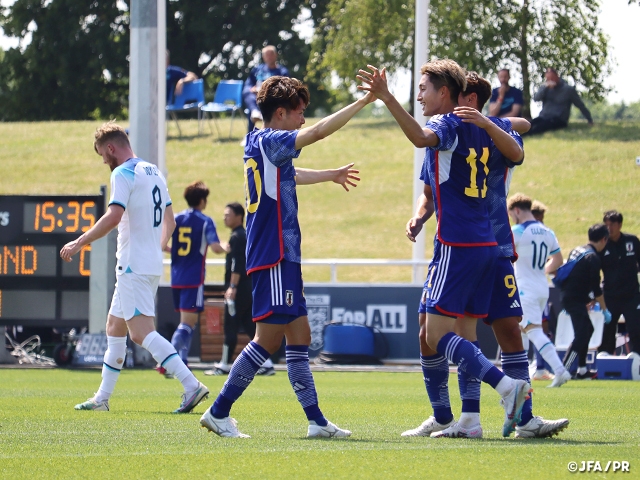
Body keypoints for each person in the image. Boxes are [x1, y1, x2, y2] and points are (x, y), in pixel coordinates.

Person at [357, 60, 531, 439]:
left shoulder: (447, 124)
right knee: (447, 331)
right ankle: (466, 420)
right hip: (482, 242)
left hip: (459, 243)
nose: (419, 95)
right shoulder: (482, 128)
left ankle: (507, 387)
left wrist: (386, 97)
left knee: (436, 335)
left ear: (445, 94)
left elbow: (421, 137)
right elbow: (519, 132)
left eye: (424, 88)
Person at [199, 75, 371, 438]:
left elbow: (288, 174)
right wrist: (363, 103)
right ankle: (218, 411)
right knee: (268, 340)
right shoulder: (274, 139)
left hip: (281, 252)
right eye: (299, 112)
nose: (303, 120)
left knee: (300, 336)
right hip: (274, 250)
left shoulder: (256, 139)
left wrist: (331, 175)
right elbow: (320, 132)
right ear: (280, 113)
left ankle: (316, 421)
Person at [413, 72, 567, 439]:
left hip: (492, 245)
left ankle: (523, 417)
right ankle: (462, 417)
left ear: (467, 100)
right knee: (441, 331)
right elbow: (430, 191)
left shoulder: (489, 132)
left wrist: (488, 119)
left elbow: (522, 131)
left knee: (508, 330)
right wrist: (419, 216)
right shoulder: (450, 134)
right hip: (465, 243)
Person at [61, 122, 209, 413]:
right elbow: (171, 222)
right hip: (148, 263)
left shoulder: (122, 172)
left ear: (111, 148)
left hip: (132, 265)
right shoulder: (154, 171)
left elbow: (113, 216)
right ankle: (102, 398)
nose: (104, 161)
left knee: (141, 334)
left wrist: (80, 241)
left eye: (103, 155)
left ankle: (191, 385)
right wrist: (156, 246)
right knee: (115, 326)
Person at [159, 181, 226, 378]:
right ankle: (167, 360)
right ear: (202, 200)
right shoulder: (205, 221)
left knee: (187, 323)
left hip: (176, 276)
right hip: (193, 277)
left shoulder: (177, 218)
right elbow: (215, 247)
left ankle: (182, 362)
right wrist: (226, 247)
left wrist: (175, 252)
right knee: (188, 324)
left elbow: (162, 244)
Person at [205, 202, 276, 376]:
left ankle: (224, 364)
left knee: (231, 326)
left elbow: (238, 265)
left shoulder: (238, 237)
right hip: (247, 289)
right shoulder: (241, 236)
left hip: (239, 289)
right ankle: (266, 362)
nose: (224, 217)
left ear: (239, 216)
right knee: (250, 327)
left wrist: (232, 286)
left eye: (228, 214)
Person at [508, 193, 571, 388]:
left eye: (511, 214)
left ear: (516, 211)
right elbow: (558, 260)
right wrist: (541, 271)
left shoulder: (517, 231)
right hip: (542, 286)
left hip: (525, 287)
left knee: (532, 330)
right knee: (522, 330)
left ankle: (560, 370)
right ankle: (522, 375)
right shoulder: (547, 232)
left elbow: (503, 255)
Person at [556, 224, 611, 379]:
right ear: (603, 239)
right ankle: (564, 370)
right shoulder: (593, 257)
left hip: (570, 296)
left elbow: (578, 277)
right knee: (581, 335)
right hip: (574, 300)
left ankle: (581, 369)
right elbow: (596, 288)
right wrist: (605, 310)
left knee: (588, 330)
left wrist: (588, 298)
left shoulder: (578, 249)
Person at [598, 210, 640, 355]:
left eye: (612, 224)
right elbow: (594, 269)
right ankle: (605, 359)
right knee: (608, 330)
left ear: (620, 225)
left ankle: (637, 359)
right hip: (610, 295)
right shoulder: (602, 244)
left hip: (631, 295)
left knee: (635, 327)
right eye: (606, 224)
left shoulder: (632, 241)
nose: (609, 227)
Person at [527, 67, 593, 136]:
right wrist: (545, 88)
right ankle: (517, 135)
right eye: (548, 79)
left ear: (557, 76)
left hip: (559, 119)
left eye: (552, 78)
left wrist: (590, 120)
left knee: (538, 128)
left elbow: (580, 105)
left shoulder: (568, 90)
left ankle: (522, 138)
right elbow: (536, 99)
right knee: (529, 124)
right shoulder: (545, 88)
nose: (550, 80)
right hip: (543, 116)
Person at [242, 45, 289, 132]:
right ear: (263, 57)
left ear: (276, 55)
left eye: (271, 54)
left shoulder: (282, 72)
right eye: (266, 55)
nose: (269, 57)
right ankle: (254, 112)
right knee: (246, 92)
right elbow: (248, 85)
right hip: (256, 98)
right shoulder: (257, 70)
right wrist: (254, 89)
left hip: (273, 99)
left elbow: (285, 89)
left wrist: (265, 90)